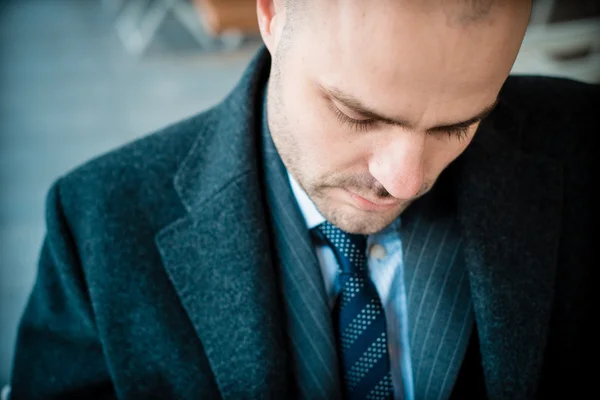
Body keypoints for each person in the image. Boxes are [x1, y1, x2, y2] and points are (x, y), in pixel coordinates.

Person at [7, 0, 597, 399]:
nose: (406, 181)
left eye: (457, 127)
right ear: (271, 13)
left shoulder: (584, 143)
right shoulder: (96, 224)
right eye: (357, 114)